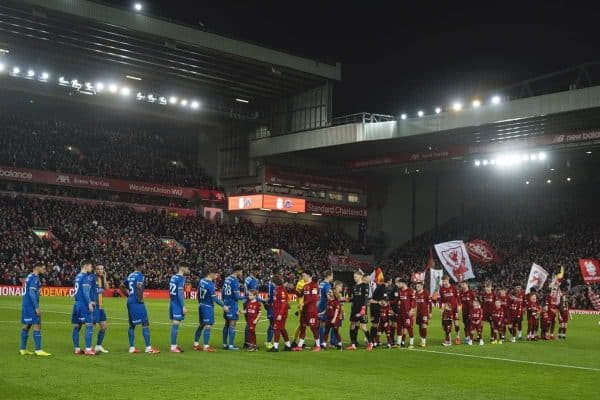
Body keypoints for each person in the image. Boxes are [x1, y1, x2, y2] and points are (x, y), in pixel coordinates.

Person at [121, 260, 160, 354]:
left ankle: (132, 348)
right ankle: (148, 348)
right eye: (144, 266)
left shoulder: (130, 275)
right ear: (139, 266)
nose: (145, 267)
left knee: (132, 325)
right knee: (145, 323)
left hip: (130, 301)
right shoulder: (140, 276)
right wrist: (140, 299)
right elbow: (139, 286)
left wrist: (128, 295)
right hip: (137, 302)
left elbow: (121, 286)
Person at [193, 268, 229, 352]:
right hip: (208, 307)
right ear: (211, 274)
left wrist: (200, 303)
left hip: (201, 305)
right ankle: (206, 346)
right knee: (208, 325)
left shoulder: (201, 281)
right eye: (216, 274)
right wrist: (224, 306)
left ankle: (196, 344)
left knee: (201, 325)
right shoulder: (210, 284)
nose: (217, 276)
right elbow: (215, 298)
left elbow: (198, 293)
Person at [19, 262, 51, 356]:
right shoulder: (34, 278)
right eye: (43, 268)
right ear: (37, 268)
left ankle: (23, 349)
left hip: (26, 304)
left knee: (27, 325)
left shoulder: (29, 276)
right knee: (37, 324)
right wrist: (36, 307)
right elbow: (32, 293)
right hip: (31, 305)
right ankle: (38, 350)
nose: (44, 270)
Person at [71, 260, 96, 355]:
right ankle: (88, 349)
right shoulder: (85, 277)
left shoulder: (78, 276)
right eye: (90, 266)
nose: (91, 268)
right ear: (85, 266)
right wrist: (89, 302)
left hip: (76, 304)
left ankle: (77, 349)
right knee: (89, 325)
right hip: (83, 304)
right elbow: (85, 291)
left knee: (77, 326)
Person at [293, 271, 321, 351]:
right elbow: (300, 295)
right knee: (303, 327)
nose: (302, 277)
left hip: (311, 311)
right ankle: (300, 346)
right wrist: (294, 289)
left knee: (313, 328)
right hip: (304, 311)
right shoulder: (305, 286)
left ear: (309, 276)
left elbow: (314, 298)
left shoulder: (314, 285)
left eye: (304, 276)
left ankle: (318, 346)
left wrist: (303, 303)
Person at [346, 271, 373, 351]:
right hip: (354, 309)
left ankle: (370, 343)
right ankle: (353, 344)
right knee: (352, 326)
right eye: (354, 277)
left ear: (360, 276)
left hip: (362, 309)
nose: (354, 278)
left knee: (363, 327)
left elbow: (366, 298)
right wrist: (349, 299)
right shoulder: (354, 287)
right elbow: (353, 298)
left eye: (356, 277)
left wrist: (364, 308)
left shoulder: (365, 286)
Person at [222, 267, 246, 350]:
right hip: (232, 304)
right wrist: (246, 297)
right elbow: (237, 296)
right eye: (241, 272)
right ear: (237, 271)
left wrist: (224, 302)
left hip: (226, 303)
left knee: (226, 324)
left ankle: (224, 344)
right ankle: (231, 345)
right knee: (232, 324)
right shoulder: (235, 280)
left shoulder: (227, 278)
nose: (242, 274)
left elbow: (222, 291)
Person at [268, 274, 292, 352]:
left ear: (275, 282)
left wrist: (280, 314)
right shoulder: (277, 289)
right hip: (276, 312)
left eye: (272, 282)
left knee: (276, 328)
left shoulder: (281, 290)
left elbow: (284, 303)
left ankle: (275, 347)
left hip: (280, 313)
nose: (271, 283)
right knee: (282, 329)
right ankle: (288, 345)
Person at [168, 263, 189, 353]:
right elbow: (180, 293)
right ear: (182, 268)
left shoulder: (173, 277)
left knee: (175, 324)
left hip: (172, 302)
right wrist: (183, 306)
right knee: (176, 324)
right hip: (177, 303)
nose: (188, 269)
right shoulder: (181, 278)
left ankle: (174, 345)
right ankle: (173, 347)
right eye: (187, 268)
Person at [439, 275, 461, 345]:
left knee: (456, 324)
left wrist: (459, 306)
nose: (444, 282)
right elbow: (441, 300)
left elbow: (458, 298)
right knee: (447, 324)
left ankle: (457, 337)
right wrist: (440, 308)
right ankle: (448, 339)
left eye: (445, 281)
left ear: (448, 280)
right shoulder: (441, 289)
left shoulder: (454, 288)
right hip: (447, 310)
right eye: (443, 281)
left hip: (454, 309)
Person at [243, 266, 261, 348]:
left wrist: (261, 300)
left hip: (254, 302)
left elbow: (256, 292)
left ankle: (250, 342)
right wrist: (249, 298)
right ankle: (247, 342)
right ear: (254, 271)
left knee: (252, 324)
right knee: (249, 323)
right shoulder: (248, 279)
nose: (259, 273)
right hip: (248, 302)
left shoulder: (256, 280)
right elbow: (246, 289)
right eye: (257, 271)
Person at [93, 264, 109, 353]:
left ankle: (98, 346)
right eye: (98, 269)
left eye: (102, 269)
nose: (100, 271)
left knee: (104, 326)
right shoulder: (92, 278)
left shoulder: (102, 279)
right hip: (94, 307)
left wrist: (105, 277)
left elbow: (106, 288)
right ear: (95, 270)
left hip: (101, 306)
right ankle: (88, 347)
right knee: (91, 326)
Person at [323, 281, 344, 350]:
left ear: (333, 294)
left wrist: (334, 318)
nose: (328, 293)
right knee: (326, 331)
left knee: (335, 331)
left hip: (334, 319)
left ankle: (339, 343)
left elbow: (337, 311)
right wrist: (322, 313)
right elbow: (327, 309)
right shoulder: (329, 301)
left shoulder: (336, 302)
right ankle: (324, 344)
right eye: (329, 292)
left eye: (330, 292)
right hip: (328, 318)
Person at [396, 279, 416, 349]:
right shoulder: (400, 291)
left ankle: (411, 343)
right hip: (400, 312)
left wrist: (412, 309)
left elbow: (414, 301)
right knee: (399, 327)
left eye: (399, 283)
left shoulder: (410, 291)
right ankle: (398, 343)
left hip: (407, 313)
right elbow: (398, 300)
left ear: (403, 283)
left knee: (409, 327)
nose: (398, 285)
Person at [368, 276, 386, 348]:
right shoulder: (382, 288)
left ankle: (374, 340)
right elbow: (382, 300)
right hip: (375, 308)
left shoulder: (378, 288)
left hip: (373, 308)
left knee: (375, 324)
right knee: (376, 324)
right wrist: (380, 302)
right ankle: (372, 340)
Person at [318, 270, 333, 349]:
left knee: (320, 324)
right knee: (323, 324)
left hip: (319, 305)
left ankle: (319, 341)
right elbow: (329, 297)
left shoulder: (321, 283)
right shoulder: (327, 285)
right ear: (329, 276)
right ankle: (322, 342)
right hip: (324, 306)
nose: (332, 277)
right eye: (332, 276)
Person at [291, 274, 306, 347]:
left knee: (304, 325)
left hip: (306, 305)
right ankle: (294, 341)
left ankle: (301, 341)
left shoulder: (308, 283)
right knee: (301, 325)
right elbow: (300, 295)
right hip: (302, 306)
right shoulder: (301, 283)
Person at [414, 281, 431, 347]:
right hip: (418, 313)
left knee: (424, 326)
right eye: (416, 287)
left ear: (422, 286)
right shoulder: (415, 293)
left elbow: (429, 303)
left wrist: (430, 312)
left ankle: (424, 341)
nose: (417, 288)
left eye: (418, 286)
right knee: (420, 327)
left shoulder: (425, 293)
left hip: (424, 313)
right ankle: (421, 339)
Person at [264, 276, 276, 348]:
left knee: (271, 324)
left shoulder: (269, 283)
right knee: (273, 324)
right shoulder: (274, 284)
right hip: (273, 306)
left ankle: (268, 341)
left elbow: (269, 296)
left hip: (270, 306)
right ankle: (269, 342)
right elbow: (271, 297)